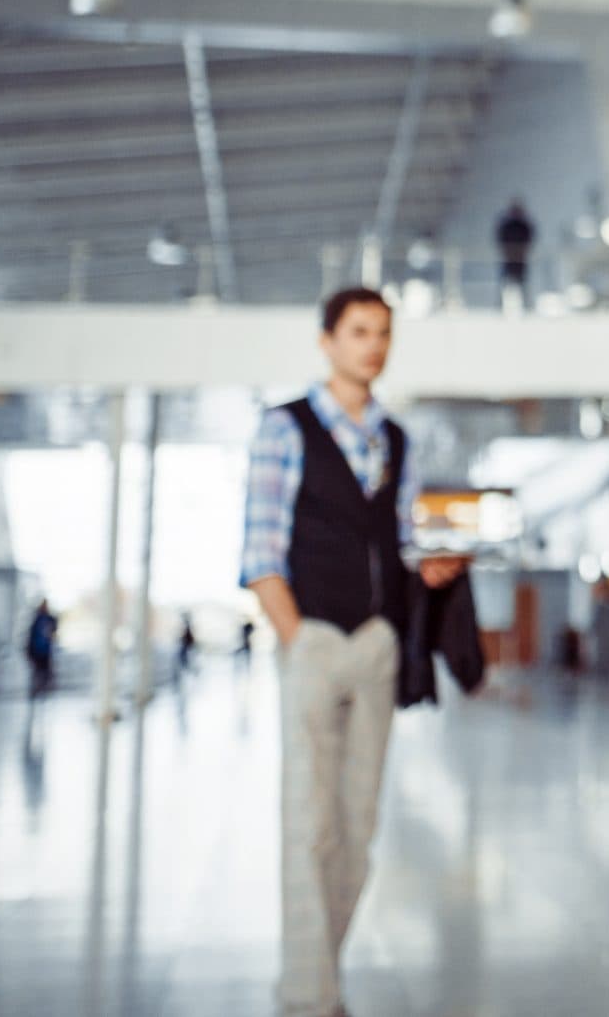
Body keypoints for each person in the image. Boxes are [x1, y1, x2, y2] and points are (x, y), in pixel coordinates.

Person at [240, 286, 468, 1017]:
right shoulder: (285, 428)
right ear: (328, 341)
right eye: (359, 331)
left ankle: (318, 975)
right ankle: (309, 995)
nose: (373, 345)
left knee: (359, 828)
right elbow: (259, 550)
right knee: (310, 824)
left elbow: (396, 542)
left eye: (383, 333)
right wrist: (295, 635)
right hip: (313, 639)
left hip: (377, 644)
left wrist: (425, 570)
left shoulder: (395, 439)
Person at [494, 200, 535, 309]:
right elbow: (501, 239)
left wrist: (522, 251)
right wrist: (507, 251)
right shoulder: (507, 225)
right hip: (508, 259)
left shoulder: (523, 225)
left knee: (522, 283)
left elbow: (529, 239)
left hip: (520, 259)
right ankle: (500, 305)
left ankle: (526, 305)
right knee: (504, 283)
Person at [24, 598, 58, 695]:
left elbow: (54, 630)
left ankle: (44, 688)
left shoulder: (49, 619)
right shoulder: (37, 619)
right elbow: (31, 636)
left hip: (45, 651)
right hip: (37, 651)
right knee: (37, 672)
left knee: (46, 672)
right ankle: (37, 688)